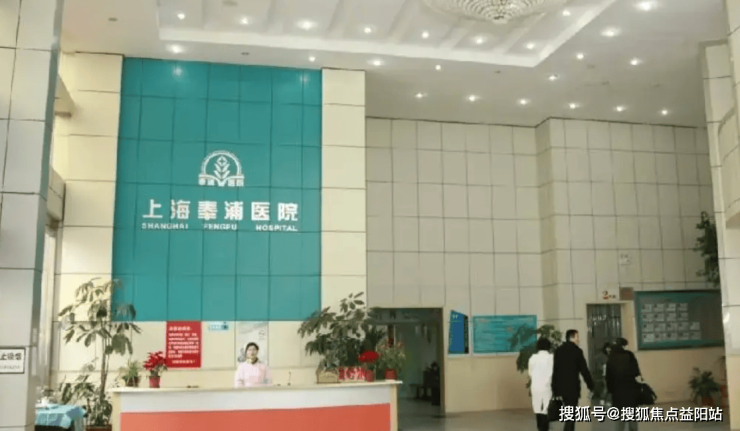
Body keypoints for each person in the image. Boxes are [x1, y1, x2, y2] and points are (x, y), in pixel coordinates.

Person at [552, 329, 594, 431]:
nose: (578, 339)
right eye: (577, 337)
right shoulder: (577, 351)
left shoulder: (558, 351)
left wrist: (554, 389)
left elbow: (555, 371)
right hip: (572, 388)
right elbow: (584, 370)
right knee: (571, 415)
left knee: (569, 413)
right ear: (572, 338)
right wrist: (591, 386)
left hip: (561, 388)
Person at [606, 338, 642, 431]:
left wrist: (610, 391)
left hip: (617, 392)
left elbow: (608, 378)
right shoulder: (629, 355)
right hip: (631, 389)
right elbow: (636, 372)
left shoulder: (611, 357)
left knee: (619, 417)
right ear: (624, 346)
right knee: (632, 415)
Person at [529, 338, 554, 431]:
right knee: (545, 411)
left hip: (535, 387)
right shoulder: (551, 358)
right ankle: (544, 428)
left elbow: (530, 373)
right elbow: (553, 373)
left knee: (538, 410)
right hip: (546, 387)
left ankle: (540, 428)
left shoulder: (533, 358)